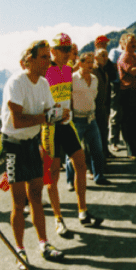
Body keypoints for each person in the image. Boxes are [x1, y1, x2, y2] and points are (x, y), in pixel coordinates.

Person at [2, 40, 66, 270]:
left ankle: (44, 243)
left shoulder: (42, 83)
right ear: (29, 60)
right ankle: (20, 252)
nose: (48, 61)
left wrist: (59, 115)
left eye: (49, 57)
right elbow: (18, 121)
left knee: (37, 195)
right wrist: (48, 116)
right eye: (43, 57)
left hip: (31, 143)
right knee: (19, 202)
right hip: (14, 145)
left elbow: (52, 112)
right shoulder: (16, 83)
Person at [43, 33, 103, 237]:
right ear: (54, 51)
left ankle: (83, 211)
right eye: (65, 50)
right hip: (49, 127)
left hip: (67, 124)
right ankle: (58, 219)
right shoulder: (46, 71)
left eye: (70, 50)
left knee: (81, 163)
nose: (69, 53)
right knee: (52, 174)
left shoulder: (68, 70)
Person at [65, 51, 111, 188]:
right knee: (72, 152)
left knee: (97, 149)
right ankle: (70, 181)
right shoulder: (72, 78)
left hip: (91, 119)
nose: (91, 65)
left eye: (92, 62)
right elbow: (68, 98)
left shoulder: (94, 79)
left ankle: (99, 176)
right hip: (77, 119)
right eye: (88, 62)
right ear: (80, 63)